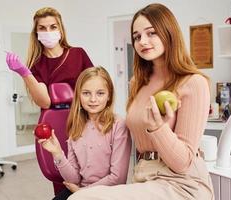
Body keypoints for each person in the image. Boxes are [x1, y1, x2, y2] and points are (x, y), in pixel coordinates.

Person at [68, 3, 214, 200]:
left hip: (181, 183)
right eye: (137, 37)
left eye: (151, 33)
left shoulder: (194, 83)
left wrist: (158, 128)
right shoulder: (137, 82)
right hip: (144, 177)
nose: (142, 41)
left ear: (169, 32)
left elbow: (183, 163)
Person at [39, 67, 132, 200]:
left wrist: (83, 192)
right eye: (86, 93)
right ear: (79, 96)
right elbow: (74, 178)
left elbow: (118, 178)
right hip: (79, 190)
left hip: (108, 193)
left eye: (100, 93)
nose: (93, 99)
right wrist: (57, 153)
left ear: (109, 96)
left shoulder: (118, 125)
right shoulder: (76, 127)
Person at [6, 7, 93, 109]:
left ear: (60, 29)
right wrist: (25, 74)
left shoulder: (78, 54)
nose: (48, 32)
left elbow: (96, 88)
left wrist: (108, 114)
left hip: (80, 118)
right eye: (42, 28)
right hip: (53, 120)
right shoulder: (37, 64)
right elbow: (45, 103)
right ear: (36, 33)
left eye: (53, 27)